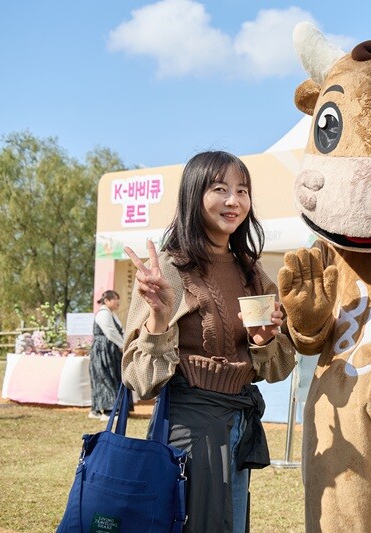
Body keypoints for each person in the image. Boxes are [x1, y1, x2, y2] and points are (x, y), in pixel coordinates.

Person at [121, 151, 297, 533]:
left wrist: (265, 340)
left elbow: (279, 367)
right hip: (188, 428)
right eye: (220, 189)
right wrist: (158, 317)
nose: (233, 201)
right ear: (194, 195)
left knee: (231, 525)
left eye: (242, 190)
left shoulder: (252, 272)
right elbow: (139, 379)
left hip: (239, 423)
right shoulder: (168, 268)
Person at [88, 290, 125, 421]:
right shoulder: (103, 314)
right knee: (105, 375)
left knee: (109, 375)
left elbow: (119, 331)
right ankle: (108, 410)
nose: (118, 302)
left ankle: (97, 409)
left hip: (110, 348)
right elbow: (110, 332)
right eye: (115, 299)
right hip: (103, 349)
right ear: (107, 300)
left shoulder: (111, 314)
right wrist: (122, 345)